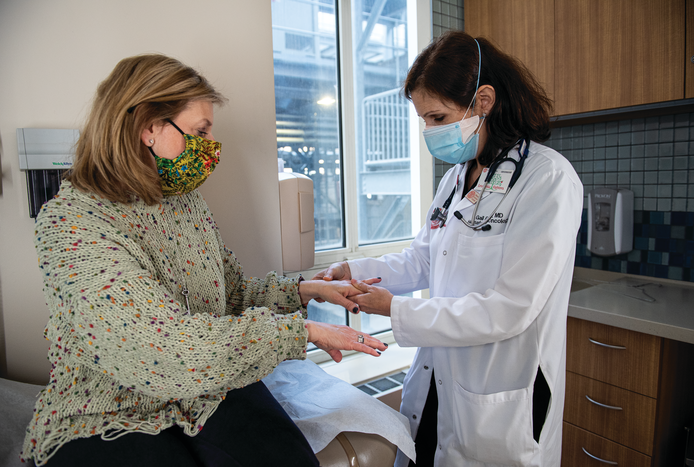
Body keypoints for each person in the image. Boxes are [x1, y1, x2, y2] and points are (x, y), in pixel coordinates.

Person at [20, 54, 387, 467]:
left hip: (206, 388)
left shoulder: (186, 204)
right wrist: (298, 332)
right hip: (113, 405)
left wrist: (305, 290)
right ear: (148, 128)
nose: (209, 149)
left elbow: (228, 295)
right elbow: (159, 347)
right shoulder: (71, 223)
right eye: (199, 131)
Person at [314, 31, 583, 466]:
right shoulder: (458, 178)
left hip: (497, 390)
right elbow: (424, 257)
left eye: (438, 118)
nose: (429, 132)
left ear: (484, 101)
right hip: (439, 377)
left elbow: (510, 307)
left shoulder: (546, 179)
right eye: (424, 120)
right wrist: (355, 270)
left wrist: (395, 310)